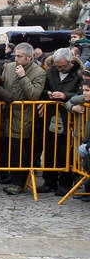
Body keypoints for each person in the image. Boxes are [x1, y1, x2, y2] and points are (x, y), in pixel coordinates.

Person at [1, 43, 46, 195]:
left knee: (20, 151)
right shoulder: (8, 67)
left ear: (29, 57)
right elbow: (2, 85)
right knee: (9, 149)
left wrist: (23, 77)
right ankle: (11, 176)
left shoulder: (39, 72)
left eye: (20, 56)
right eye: (15, 55)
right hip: (6, 115)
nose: (16, 58)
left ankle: (19, 182)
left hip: (24, 117)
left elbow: (34, 95)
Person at [38, 47, 81, 196]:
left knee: (65, 150)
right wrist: (48, 94)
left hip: (69, 116)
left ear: (71, 62)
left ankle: (65, 183)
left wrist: (65, 95)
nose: (61, 69)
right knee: (49, 148)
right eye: (58, 66)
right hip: (52, 115)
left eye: (63, 66)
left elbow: (82, 93)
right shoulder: (51, 72)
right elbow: (43, 90)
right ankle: (49, 181)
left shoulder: (79, 74)